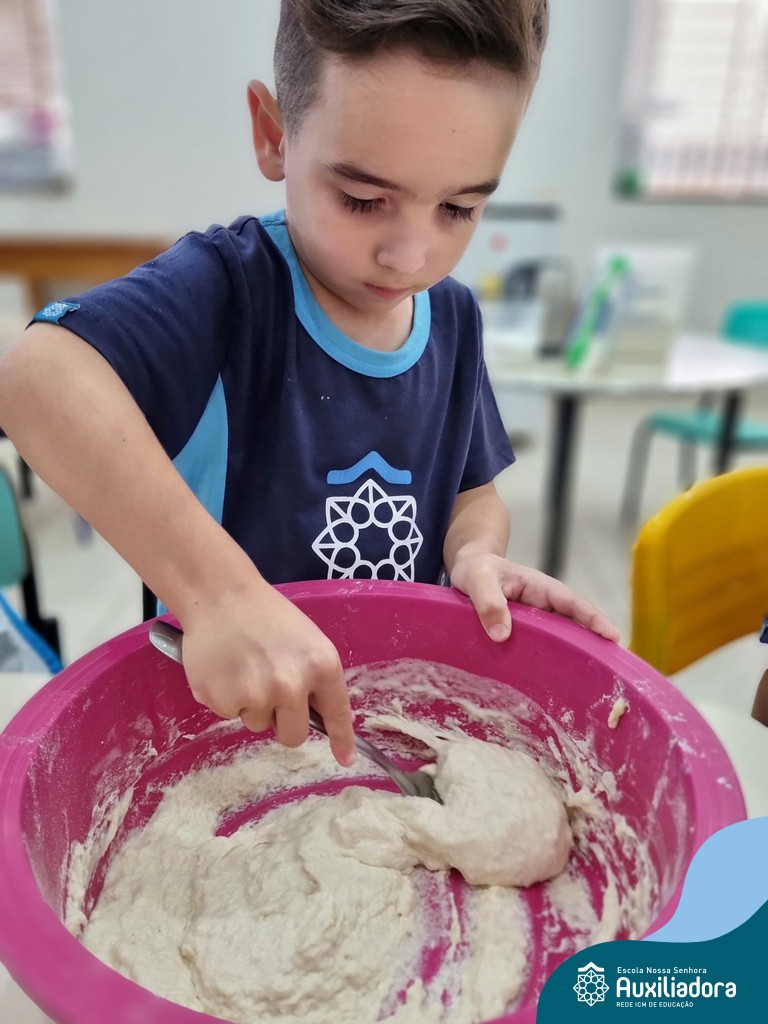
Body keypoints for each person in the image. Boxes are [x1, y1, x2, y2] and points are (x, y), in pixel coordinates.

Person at [0, 0, 618, 768]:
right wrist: (221, 595)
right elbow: (34, 376)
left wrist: (473, 555)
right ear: (274, 135)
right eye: (362, 199)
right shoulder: (228, 290)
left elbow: (473, 493)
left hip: (388, 717)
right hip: (228, 720)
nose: (410, 256)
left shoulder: (455, 319)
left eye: (459, 208)